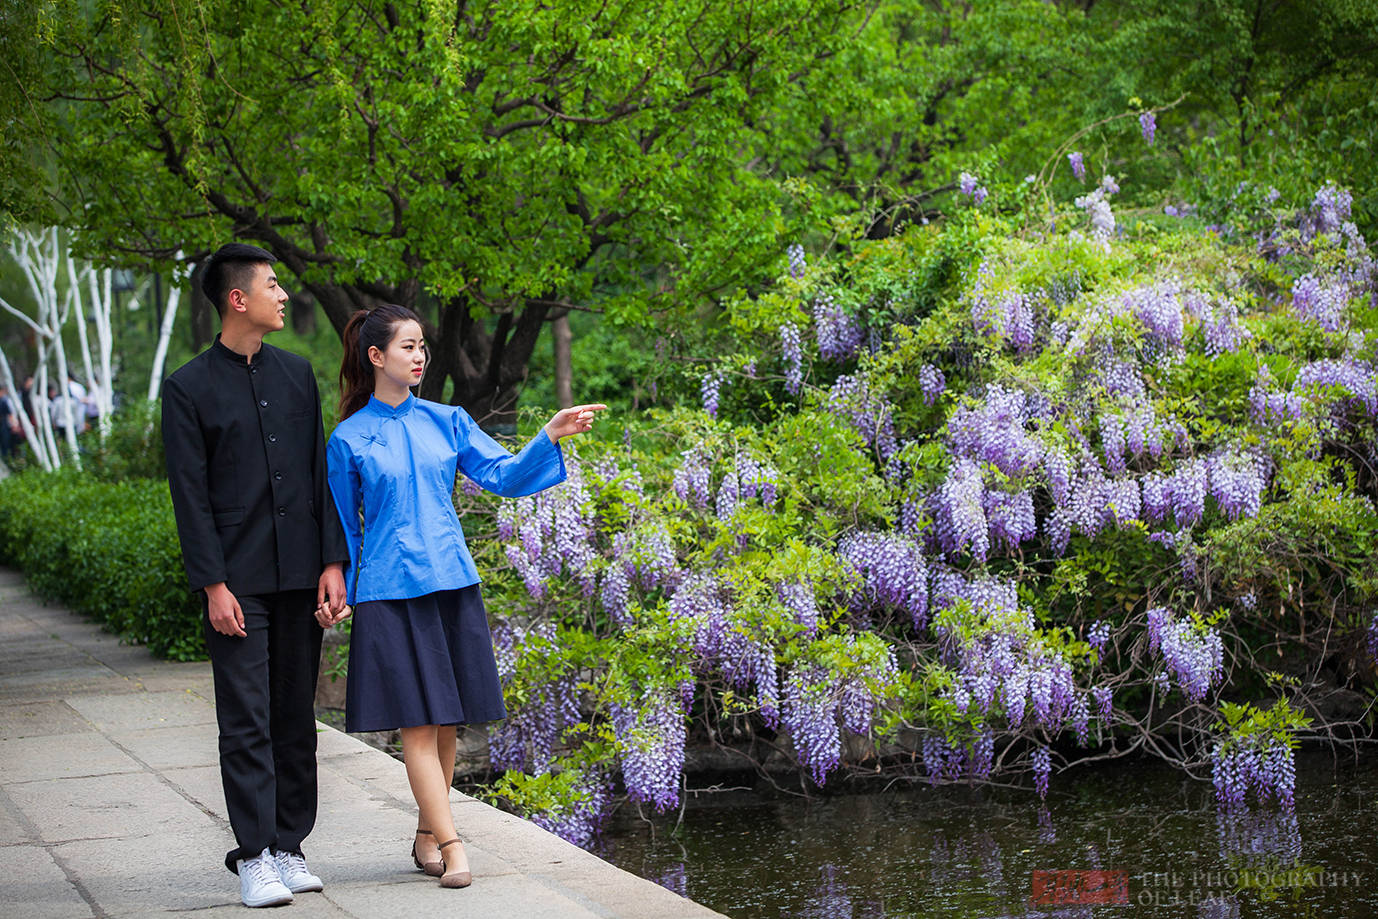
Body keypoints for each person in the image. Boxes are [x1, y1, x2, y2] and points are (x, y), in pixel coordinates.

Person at [322, 303, 604, 889]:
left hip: (452, 580)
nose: (420, 355)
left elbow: (502, 476)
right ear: (376, 357)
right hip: (389, 591)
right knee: (419, 726)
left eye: (423, 346)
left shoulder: (447, 420)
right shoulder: (348, 438)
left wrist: (550, 434)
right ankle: (453, 843)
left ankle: (428, 833)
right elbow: (346, 528)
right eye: (408, 346)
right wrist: (344, 590)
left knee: (446, 722)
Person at [161, 243, 349, 908]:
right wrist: (212, 583)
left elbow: (318, 473)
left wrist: (333, 562)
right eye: (272, 284)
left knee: (296, 716)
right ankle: (254, 854)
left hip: (300, 574)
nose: (283, 294)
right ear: (237, 298)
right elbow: (190, 493)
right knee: (245, 720)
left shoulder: (298, 375)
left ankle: (289, 846)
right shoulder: (187, 387)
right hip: (236, 583)